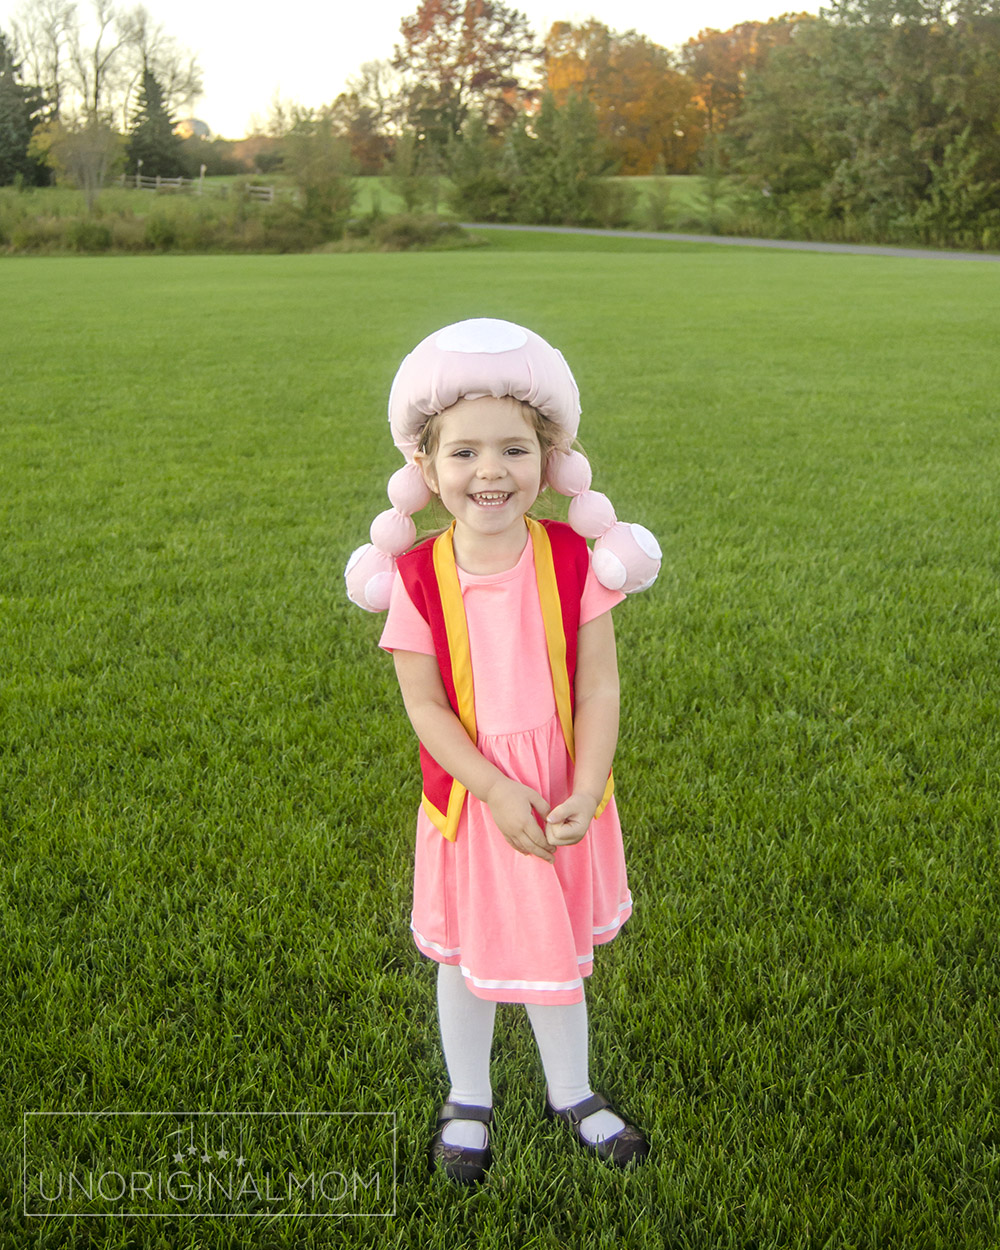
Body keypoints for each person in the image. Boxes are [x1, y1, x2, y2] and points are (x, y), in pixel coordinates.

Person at [344, 318, 661, 1184]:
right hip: (475, 802)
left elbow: (598, 687)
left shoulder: (573, 561)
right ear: (426, 468)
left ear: (550, 457)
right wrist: (492, 788)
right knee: (472, 963)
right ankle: (469, 1097)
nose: (491, 471)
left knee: (555, 949)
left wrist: (587, 784)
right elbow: (426, 706)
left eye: (515, 449)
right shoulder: (416, 581)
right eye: (465, 453)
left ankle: (574, 1092)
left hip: (562, 792)